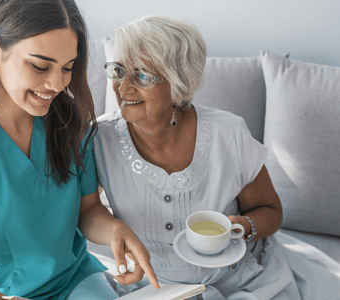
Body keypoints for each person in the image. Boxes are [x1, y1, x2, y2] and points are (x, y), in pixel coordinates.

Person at [0, 1, 160, 299]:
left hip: (75, 280)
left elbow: (89, 210)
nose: (56, 84)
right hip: (0, 294)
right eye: (40, 66)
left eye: (67, 67)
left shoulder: (69, 122)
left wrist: (115, 232)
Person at [94, 13, 340, 299]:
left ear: (180, 86)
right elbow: (86, 209)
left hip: (237, 282)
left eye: (143, 75)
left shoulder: (229, 134)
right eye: (119, 71)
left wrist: (244, 227)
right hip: (147, 286)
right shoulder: (99, 137)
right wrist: (114, 233)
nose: (123, 88)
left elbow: (270, 211)